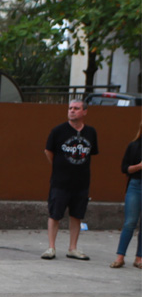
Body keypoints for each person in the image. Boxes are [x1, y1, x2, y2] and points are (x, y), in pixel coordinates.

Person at [42, 99, 98, 260]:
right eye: (70, 108)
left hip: (81, 182)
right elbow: (48, 151)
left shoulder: (91, 132)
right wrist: (60, 166)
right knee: (55, 214)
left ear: (84, 112)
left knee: (77, 215)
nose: (72, 111)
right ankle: (51, 247)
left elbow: (91, 153)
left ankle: (72, 248)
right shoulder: (58, 131)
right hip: (60, 182)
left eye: (76, 108)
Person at [111, 123, 142, 269]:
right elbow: (125, 168)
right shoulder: (134, 146)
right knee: (130, 222)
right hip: (135, 185)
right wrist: (139, 166)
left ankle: (139, 258)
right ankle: (120, 257)